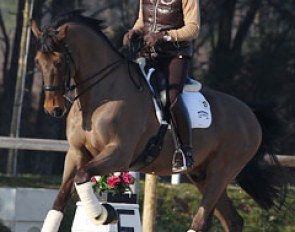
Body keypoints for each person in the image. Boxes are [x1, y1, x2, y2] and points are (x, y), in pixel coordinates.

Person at [123, 0, 200, 173]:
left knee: (170, 98)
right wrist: (134, 31)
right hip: (149, 54)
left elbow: (193, 28)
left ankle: (185, 151)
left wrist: (165, 36)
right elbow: (143, 21)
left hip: (175, 55)